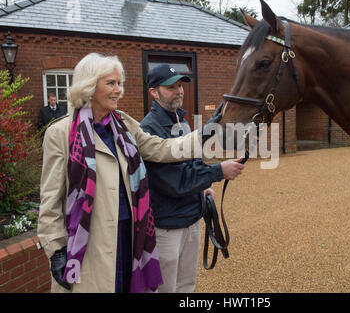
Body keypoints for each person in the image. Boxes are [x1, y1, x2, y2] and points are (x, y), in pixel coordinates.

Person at [37, 53, 220, 293]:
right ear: (90, 86)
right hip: (90, 246)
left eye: (120, 83)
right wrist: (56, 251)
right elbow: (50, 199)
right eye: (111, 83)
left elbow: (161, 148)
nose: (118, 90)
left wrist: (204, 134)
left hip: (130, 237)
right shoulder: (60, 134)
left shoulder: (124, 124)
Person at [140, 64, 244, 293]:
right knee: (166, 288)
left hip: (191, 217)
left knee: (186, 285)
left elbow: (193, 162)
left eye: (180, 85)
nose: (179, 91)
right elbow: (172, 182)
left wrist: (203, 188)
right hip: (167, 226)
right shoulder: (148, 129)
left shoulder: (182, 121)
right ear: (154, 93)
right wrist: (218, 172)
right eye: (171, 87)